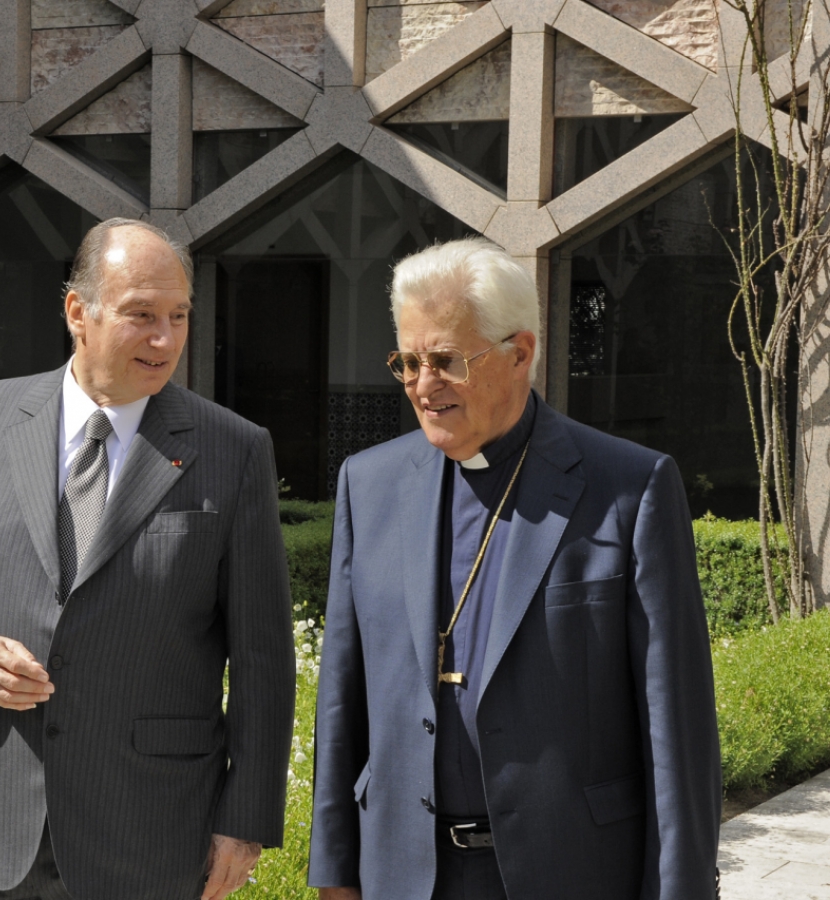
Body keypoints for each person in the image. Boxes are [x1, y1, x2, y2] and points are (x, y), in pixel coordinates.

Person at [0, 218, 296, 900]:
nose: (165, 340)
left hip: (150, 838)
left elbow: (263, 658)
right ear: (79, 312)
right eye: (141, 316)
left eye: (179, 316)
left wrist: (244, 822)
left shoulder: (234, 450)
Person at [308, 238, 720, 900]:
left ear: (520, 352)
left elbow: (675, 729)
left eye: (445, 361)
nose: (422, 385)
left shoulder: (630, 487)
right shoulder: (369, 483)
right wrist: (334, 874)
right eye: (407, 362)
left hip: (570, 872)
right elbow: (343, 694)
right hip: (405, 877)